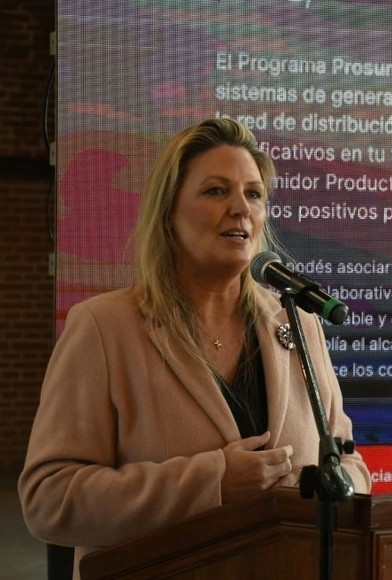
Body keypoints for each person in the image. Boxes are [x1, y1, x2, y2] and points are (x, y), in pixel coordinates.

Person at [18, 118, 371, 577]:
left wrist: (333, 489)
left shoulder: (298, 322)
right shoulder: (104, 328)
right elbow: (49, 499)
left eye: (254, 194)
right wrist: (212, 483)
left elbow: (347, 460)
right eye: (216, 191)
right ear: (168, 213)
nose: (240, 208)